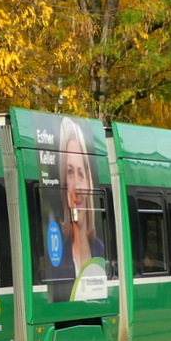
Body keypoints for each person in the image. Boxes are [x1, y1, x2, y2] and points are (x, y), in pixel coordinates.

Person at [44, 116, 108, 302]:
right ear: (63, 181)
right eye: (70, 172)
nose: (77, 187)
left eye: (81, 173)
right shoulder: (55, 258)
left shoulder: (102, 251)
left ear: (89, 182)